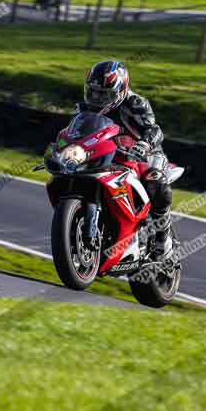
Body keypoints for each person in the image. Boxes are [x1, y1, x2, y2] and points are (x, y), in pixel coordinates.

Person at [78, 60, 173, 261]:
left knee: (155, 180)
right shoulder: (84, 108)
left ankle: (162, 241)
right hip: (110, 154)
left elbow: (155, 130)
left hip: (144, 154)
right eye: (94, 92)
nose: (97, 98)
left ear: (120, 90)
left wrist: (144, 145)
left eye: (104, 94)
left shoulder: (136, 104)